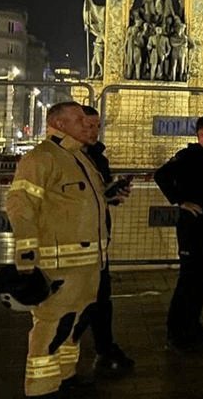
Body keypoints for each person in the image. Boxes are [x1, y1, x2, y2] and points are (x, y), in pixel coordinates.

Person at [6, 102, 109, 397]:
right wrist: (27, 260)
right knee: (51, 327)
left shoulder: (78, 157)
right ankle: (42, 387)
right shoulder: (42, 158)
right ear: (60, 124)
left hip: (89, 265)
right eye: (79, 119)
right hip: (59, 265)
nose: (86, 124)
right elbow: (21, 207)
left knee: (75, 325)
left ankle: (66, 376)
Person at [155, 114, 203, 350]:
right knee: (188, 281)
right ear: (201, 133)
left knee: (202, 280)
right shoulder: (189, 155)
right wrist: (180, 201)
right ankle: (177, 333)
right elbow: (162, 175)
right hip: (193, 229)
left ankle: (193, 326)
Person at [79, 106, 136, 375]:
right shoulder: (63, 158)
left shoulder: (98, 157)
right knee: (77, 302)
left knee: (102, 298)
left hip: (99, 238)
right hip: (73, 243)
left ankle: (105, 348)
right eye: (87, 126)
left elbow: (97, 196)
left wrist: (111, 195)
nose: (92, 131)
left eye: (96, 126)